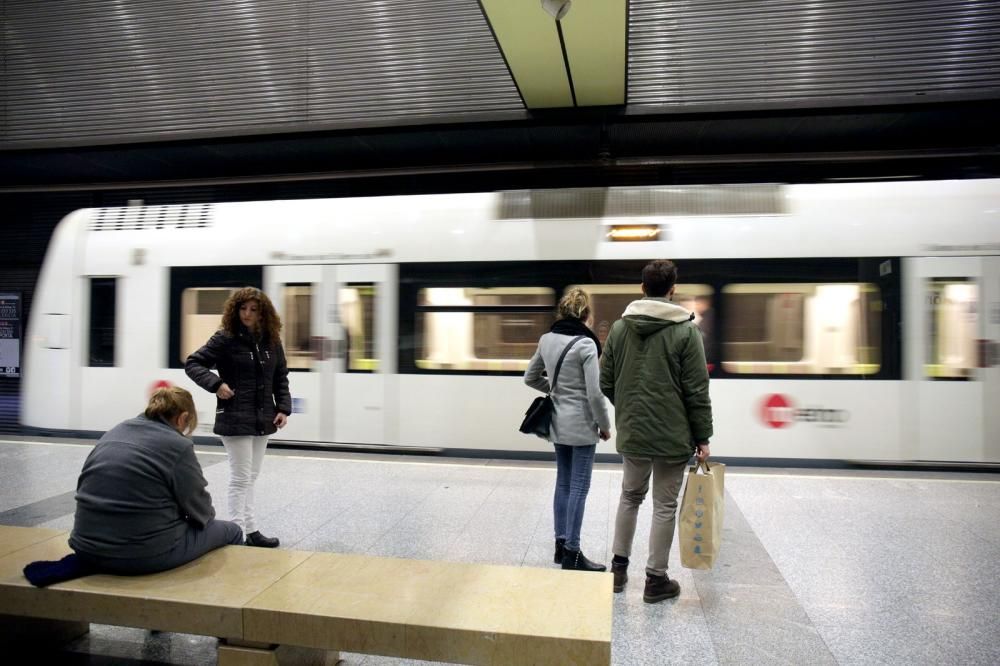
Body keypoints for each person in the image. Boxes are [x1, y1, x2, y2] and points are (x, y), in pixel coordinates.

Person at [600, 260, 713, 603]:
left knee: (630, 497)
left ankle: (617, 572)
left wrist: (630, 409)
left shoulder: (620, 329)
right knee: (665, 504)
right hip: (672, 435)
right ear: (672, 289)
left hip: (634, 432)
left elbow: (606, 381)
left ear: (642, 288)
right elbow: (696, 389)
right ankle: (655, 580)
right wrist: (702, 437)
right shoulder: (686, 331)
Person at [69, 387, 244, 575]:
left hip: (85, 547)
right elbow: (200, 508)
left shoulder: (114, 432)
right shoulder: (177, 445)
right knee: (232, 531)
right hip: (141, 556)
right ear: (182, 418)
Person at [185, 287, 291, 548]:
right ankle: (237, 533)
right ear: (235, 310)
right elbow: (193, 363)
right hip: (234, 415)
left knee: (251, 476)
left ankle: (251, 530)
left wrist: (283, 408)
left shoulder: (271, 340)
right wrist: (216, 383)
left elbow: (280, 376)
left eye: (254, 310)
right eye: (243, 309)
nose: (247, 314)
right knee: (240, 477)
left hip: (263, 418)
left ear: (262, 312)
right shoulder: (225, 338)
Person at [525, 288, 612, 572]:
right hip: (582, 425)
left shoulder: (546, 339)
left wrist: (555, 391)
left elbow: (530, 377)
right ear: (587, 315)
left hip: (558, 423)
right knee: (578, 487)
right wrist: (604, 425)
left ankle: (560, 544)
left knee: (563, 482)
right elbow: (595, 394)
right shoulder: (586, 345)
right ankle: (573, 552)